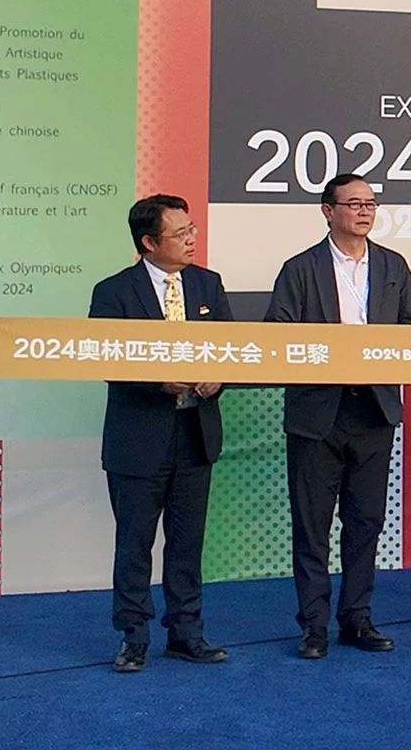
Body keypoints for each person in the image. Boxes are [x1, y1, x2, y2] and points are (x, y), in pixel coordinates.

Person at [265, 173, 411, 659]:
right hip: (318, 413)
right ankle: (313, 626)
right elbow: (277, 335)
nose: (364, 211)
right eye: (353, 203)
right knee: (312, 526)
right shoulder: (300, 269)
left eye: (370, 203)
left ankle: (357, 618)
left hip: (373, 409)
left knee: (365, 522)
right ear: (327, 211)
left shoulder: (393, 266)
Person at [90, 194, 233, 673]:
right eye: (180, 233)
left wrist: (218, 376)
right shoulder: (113, 292)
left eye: (192, 230)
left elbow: (232, 348)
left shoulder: (208, 284)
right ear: (149, 243)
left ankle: (186, 633)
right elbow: (104, 359)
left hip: (195, 432)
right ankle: (133, 637)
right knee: (134, 545)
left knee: (187, 543)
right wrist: (157, 382)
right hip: (138, 437)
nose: (192, 239)